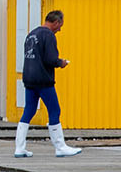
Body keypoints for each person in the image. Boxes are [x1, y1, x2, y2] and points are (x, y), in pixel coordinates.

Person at [15, 9, 81, 158]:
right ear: (56, 22)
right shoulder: (48, 35)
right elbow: (51, 59)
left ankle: (19, 148)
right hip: (43, 80)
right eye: (60, 25)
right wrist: (61, 63)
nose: (60, 29)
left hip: (29, 79)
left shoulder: (31, 34)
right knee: (54, 110)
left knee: (29, 111)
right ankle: (60, 147)